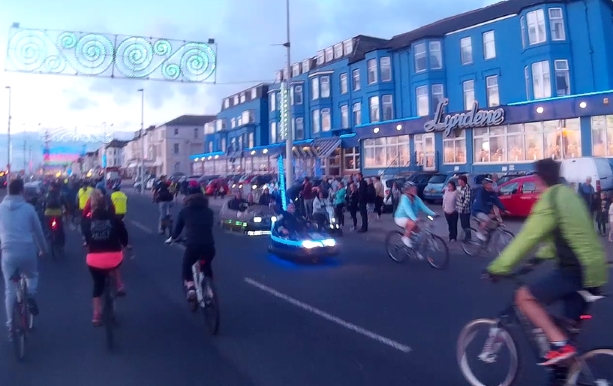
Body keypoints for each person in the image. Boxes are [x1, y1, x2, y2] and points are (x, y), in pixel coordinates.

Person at [486, 159, 607, 366]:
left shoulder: (550, 198)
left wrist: (498, 267)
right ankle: (565, 370)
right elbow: (567, 236)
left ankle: (560, 345)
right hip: (595, 270)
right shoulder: (570, 195)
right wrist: (537, 259)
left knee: (524, 297)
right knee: (565, 339)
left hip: (576, 271)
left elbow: (527, 237)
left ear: (538, 178)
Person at [0, 179, 47, 336]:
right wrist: (43, 249)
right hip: (27, 250)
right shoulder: (28, 208)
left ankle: (10, 326)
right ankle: (30, 294)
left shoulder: (0, 208)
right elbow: (38, 232)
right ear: (21, 191)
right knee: (32, 275)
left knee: (9, 289)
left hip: (8, 252)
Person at [166, 182, 215, 310]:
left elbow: (177, 231)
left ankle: (191, 288)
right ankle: (209, 290)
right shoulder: (209, 211)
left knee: (186, 266)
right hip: (209, 246)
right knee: (206, 265)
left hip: (193, 245)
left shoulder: (184, 211)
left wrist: (172, 238)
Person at [83, 189, 128, 325]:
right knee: (115, 265)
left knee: (97, 286)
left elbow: (87, 238)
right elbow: (124, 237)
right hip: (114, 257)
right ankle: (118, 285)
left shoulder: (86, 222)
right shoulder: (115, 219)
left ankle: (96, 315)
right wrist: (124, 245)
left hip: (94, 259)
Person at [394, 181, 437, 247]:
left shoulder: (416, 199)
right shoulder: (404, 198)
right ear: (407, 191)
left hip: (411, 219)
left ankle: (415, 251)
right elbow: (408, 210)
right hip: (400, 218)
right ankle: (405, 238)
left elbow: (424, 207)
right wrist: (415, 218)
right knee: (412, 224)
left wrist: (433, 214)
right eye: (413, 188)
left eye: (415, 188)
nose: (415, 189)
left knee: (418, 235)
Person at [43, 181, 68, 248]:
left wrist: (44, 211)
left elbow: (44, 204)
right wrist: (66, 211)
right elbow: (65, 204)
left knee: (47, 226)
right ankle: (61, 243)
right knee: (60, 229)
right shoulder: (61, 194)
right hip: (58, 213)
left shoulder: (47, 194)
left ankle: (49, 233)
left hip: (48, 213)